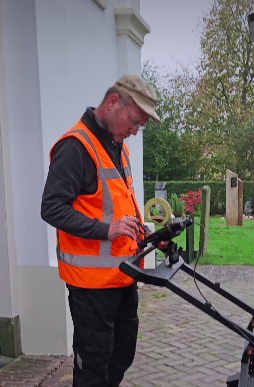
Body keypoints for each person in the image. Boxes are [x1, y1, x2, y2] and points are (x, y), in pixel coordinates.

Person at [41, 74, 161, 387]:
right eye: (134, 121)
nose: (134, 131)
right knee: (93, 366)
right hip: (91, 284)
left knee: (122, 354)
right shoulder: (75, 148)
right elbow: (52, 208)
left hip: (122, 275)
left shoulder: (117, 146)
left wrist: (143, 234)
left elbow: (118, 203)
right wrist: (105, 230)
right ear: (112, 103)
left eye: (139, 127)